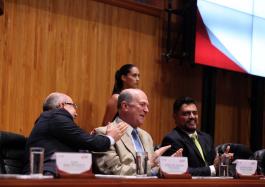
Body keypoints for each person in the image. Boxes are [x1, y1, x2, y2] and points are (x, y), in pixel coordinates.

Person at [23, 92, 127, 176]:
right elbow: (89, 142)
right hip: (46, 177)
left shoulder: (50, 121)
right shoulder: (55, 116)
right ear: (62, 105)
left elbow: (81, 142)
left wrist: (88, 139)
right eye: (74, 106)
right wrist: (110, 138)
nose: (76, 113)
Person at [95, 89, 182, 176]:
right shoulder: (103, 134)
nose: (146, 110)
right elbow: (115, 171)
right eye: (142, 105)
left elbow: (152, 169)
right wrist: (148, 164)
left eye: (147, 106)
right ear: (125, 106)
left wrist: (168, 166)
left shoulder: (146, 136)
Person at [161, 96, 220, 176]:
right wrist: (212, 169)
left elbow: (215, 163)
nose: (192, 116)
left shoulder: (206, 138)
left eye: (195, 113)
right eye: (186, 113)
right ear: (175, 116)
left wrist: (222, 161)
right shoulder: (171, 139)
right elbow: (179, 171)